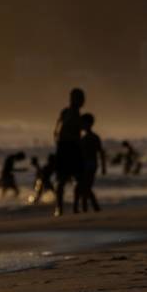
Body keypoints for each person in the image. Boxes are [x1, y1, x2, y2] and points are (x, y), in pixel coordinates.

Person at [52, 88, 86, 216]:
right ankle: (68, 207)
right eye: (81, 98)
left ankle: (63, 208)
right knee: (71, 179)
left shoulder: (67, 112)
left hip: (65, 147)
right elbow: (60, 131)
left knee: (66, 179)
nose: (83, 100)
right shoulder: (72, 113)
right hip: (69, 148)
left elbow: (56, 131)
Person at [78, 114, 106, 212]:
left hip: (91, 165)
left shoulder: (93, 137)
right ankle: (92, 208)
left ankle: (92, 208)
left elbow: (101, 152)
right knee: (85, 188)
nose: (81, 125)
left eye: (83, 123)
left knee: (86, 187)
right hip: (85, 165)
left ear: (89, 124)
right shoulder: (83, 138)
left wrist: (103, 167)